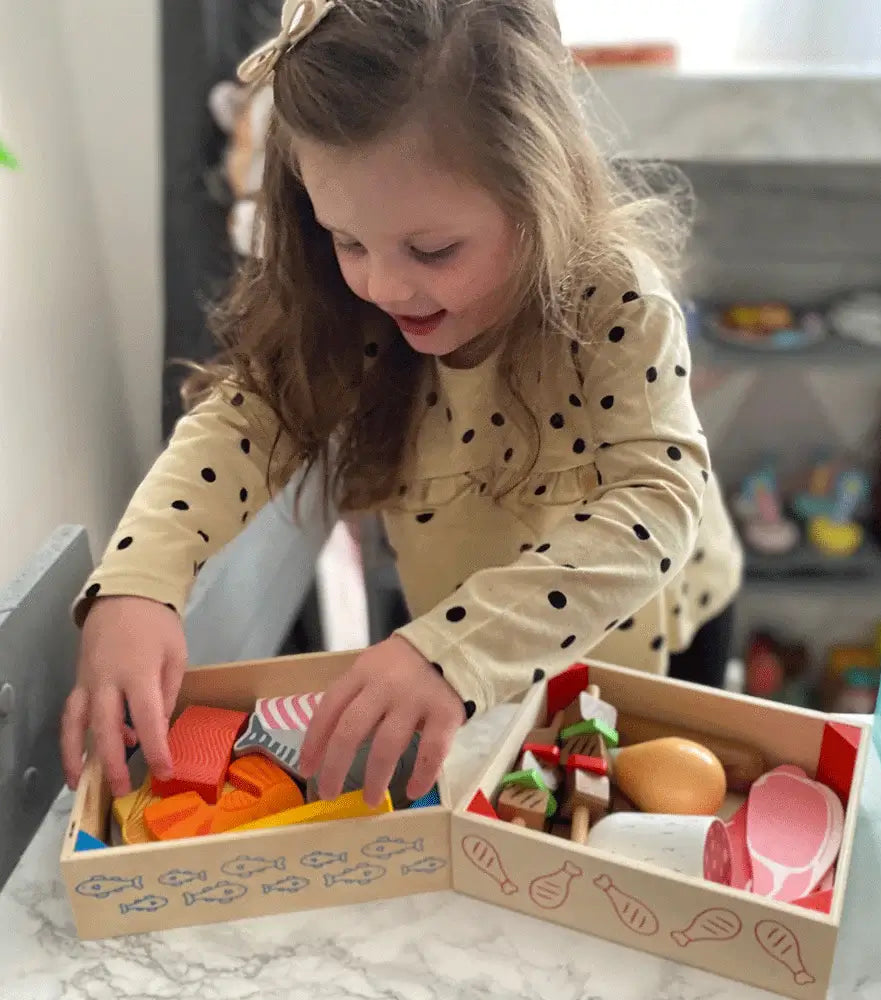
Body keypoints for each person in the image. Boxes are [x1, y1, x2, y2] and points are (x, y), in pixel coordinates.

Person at [60, 0, 743, 813]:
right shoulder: (352, 299)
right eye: (347, 240)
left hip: (639, 633)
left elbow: (655, 502)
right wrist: (140, 578)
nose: (382, 286)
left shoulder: (613, 298)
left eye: (432, 250)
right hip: (457, 644)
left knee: (608, 825)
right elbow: (252, 418)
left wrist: (452, 653)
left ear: (539, 190)